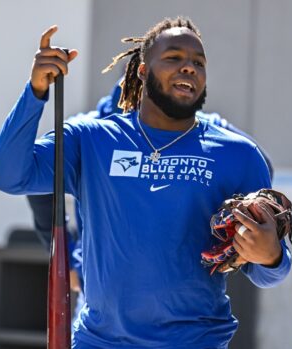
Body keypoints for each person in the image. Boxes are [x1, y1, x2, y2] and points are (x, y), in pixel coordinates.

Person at [0, 17, 291, 348]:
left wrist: (269, 255)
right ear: (142, 72)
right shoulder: (91, 139)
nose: (189, 67)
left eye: (198, 62)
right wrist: (35, 92)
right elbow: (9, 175)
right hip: (100, 341)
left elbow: (269, 274)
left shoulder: (239, 154)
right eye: (174, 57)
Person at [25, 78, 276, 318]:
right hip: (102, 304)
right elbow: (37, 169)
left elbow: (260, 164)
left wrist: (238, 235)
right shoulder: (94, 130)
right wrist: (66, 256)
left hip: (185, 306)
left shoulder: (204, 130)